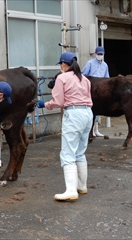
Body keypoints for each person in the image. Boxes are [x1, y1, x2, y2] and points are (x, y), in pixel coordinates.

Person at [37, 52, 93, 201]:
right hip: (88, 113)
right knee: (80, 152)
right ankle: (82, 186)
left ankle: (71, 190)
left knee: (68, 154)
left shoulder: (62, 78)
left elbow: (58, 101)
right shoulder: (85, 79)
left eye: (60, 64)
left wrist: (45, 104)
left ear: (63, 64)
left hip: (73, 114)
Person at [82, 46, 109, 137]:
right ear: (95, 54)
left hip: (100, 90)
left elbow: (107, 78)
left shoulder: (105, 65)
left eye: (101, 54)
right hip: (91, 89)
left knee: (98, 108)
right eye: (98, 54)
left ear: (103, 54)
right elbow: (83, 75)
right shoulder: (89, 63)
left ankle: (96, 130)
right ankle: (90, 130)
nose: (100, 55)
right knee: (91, 109)